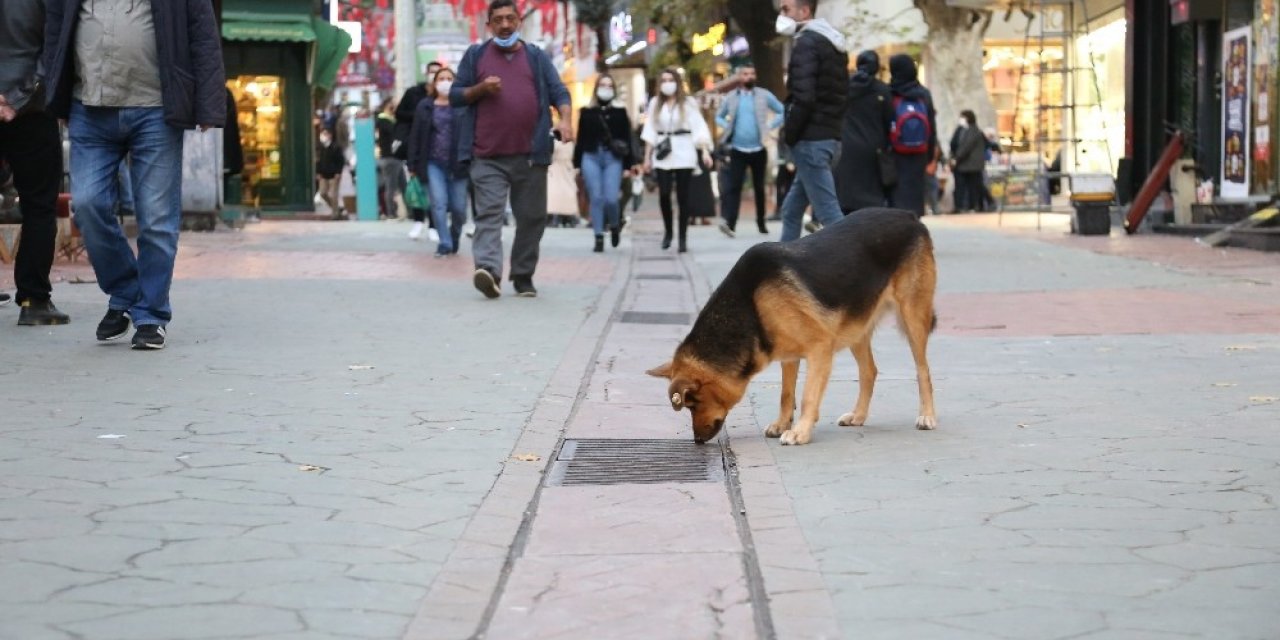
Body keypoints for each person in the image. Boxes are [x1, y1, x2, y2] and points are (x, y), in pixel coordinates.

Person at [44, 0, 225, 350]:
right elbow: (55, 32)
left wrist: (208, 105)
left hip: (156, 109)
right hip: (88, 107)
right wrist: (58, 95)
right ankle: (127, 289)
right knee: (87, 204)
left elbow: (203, 37)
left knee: (157, 219)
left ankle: (151, 315)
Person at [451, 0, 573, 299]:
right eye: (498, 20)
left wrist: (566, 120)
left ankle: (522, 276)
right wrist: (480, 89)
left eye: (510, 18)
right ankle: (489, 272)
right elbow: (455, 95)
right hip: (486, 155)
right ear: (488, 25)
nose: (504, 24)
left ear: (519, 21)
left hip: (531, 154)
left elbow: (559, 91)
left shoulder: (535, 56)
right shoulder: (475, 55)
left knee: (532, 218)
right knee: (489, 215)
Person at [0, 0, 70, 325]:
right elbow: (54, 46)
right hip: (29, 108)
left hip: (26, 105)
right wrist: (16, 98)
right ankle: (33, 299)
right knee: (39, 204)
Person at [775, 0, 849, 242]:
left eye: (786, 9)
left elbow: (804, 98)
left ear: (804, 11)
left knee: (830, 216)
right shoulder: (833, 44)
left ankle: (854, 273)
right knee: (791, 209)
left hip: (811, 141)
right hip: (828, 137)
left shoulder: (806, 43)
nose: (782, 15)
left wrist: (790, 134)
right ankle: (785, 268)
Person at [640, 68, 713, 252]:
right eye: (663, 80)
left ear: (677, 82)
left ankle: (682, 237)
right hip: (663, 149)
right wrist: (647, 157)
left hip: (684, 148)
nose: (667, 83)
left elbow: (699, 126)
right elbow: (650, 130)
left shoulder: (688, 103)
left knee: (683, 196)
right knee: (664, 194)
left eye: (670, 79)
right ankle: (668, 232)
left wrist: (704, 151)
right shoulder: (656, 103)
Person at [715, 63, 784, 236]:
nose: (749, 77)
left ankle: (761, 223)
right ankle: (731, 224)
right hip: (738, 149)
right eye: (745, 74)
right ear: (739, 77)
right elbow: (719, 116)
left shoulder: (763, 95)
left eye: (752, 74)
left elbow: (782, 111)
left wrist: (769, 126)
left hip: (759, 148)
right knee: (734, 187)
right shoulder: (731, 97)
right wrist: (728, 126)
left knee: (759, 187)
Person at [408, 68, 469, 257]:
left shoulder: (463, 106)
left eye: (449, 78)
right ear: (434, 83)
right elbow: (415, 135)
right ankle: (444, 243)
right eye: (441, 78)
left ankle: (454, 236)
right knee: (438, 204)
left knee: (459, 209)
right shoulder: (425, 106)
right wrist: (412, 164)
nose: (445, 82)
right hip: (433, 162)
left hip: (459, 163)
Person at [574, 73, 635, 252]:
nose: (606, 89)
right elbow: (581, 139)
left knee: (611, 198)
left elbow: (627, 140)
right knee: (596, 197)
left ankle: (615, 224)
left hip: (613, 158)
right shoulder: (587, 112)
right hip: (591, 156)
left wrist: (627, 166)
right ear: (596, 88)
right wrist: (577, 165)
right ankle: (598, 236)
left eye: (609, 86)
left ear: (614, 90)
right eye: (603, 85)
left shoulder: (620, 112)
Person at [835, 50, 894, 215]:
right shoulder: (882, 90)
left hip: (846, 145)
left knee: (846, 191)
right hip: (873, 147)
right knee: (870, 194)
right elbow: (890, 120)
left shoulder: (844, 87)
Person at [887, 54, 938, 218]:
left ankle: (897, 230)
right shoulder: (924, 94)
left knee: (897, 195)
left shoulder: (889, 93)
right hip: (919, 152)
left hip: (895, 152)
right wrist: (930, 156)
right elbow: (931, 126)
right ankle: (914, 228)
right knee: (915, 194)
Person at [396, 62, 441, 238]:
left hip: (437, 149)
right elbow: (399, 113)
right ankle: (418, 221)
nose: (435, 76)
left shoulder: (446, 96)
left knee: (435, 190)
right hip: (415, 146)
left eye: (438, 73)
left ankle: (434, 225)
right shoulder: (413, 93)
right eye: (432, 72)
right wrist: (418, 116)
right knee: (416, 186)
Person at [950, 110, 987, 213]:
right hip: (964, 164)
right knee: (967, 186)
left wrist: (956, 158)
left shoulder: (973, 131)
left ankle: (975, 206)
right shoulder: (961, 130)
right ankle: (966, 206)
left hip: (971, 164)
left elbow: (966, 147)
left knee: (974, 186)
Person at [375, 99, 405, 220]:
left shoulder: (391, 120)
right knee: (391, 186)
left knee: (403, 185)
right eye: (392, 105)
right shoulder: (383, 120)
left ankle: (412, 212)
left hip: (396, 157)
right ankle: (390, 212)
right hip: (389, 157)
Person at [316, 128, 346, 217]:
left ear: (330, 135)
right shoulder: (320, 147)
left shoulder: (336, 147)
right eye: (322, 134)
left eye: (325, 134)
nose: (323, 136)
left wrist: (338, 172)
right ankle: (336, 208)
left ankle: (335, 214)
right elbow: (318, 161)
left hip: (334, 175)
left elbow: (341, 161)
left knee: (333, 194)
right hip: (324, 175)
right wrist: (318, 172)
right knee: (323, 193)